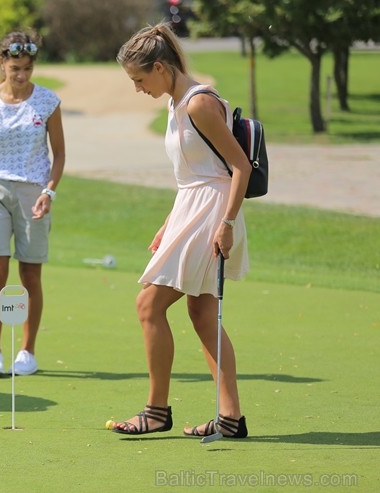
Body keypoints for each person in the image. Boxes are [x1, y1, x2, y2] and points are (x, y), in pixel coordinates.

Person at [109, 23, 251, 438]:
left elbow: (239, 167)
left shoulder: (198, 104)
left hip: (213, 213)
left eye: (139, 80)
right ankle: (230, 418)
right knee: (202, 312)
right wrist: (169, 224)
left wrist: (226, 224)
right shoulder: (177, 104)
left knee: (148, 305)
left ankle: (156, 411)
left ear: (160, 67)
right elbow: (192, 174)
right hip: (193, 209)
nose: (137, 89)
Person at [0, 30, 65, 377]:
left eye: (27, 68)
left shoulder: (48, 102)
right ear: (2, 63)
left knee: (30, 274)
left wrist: (48, 191)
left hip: (33, 191)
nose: (21, 75)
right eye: (14, 68)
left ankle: (28, 352)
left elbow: (60, 154)